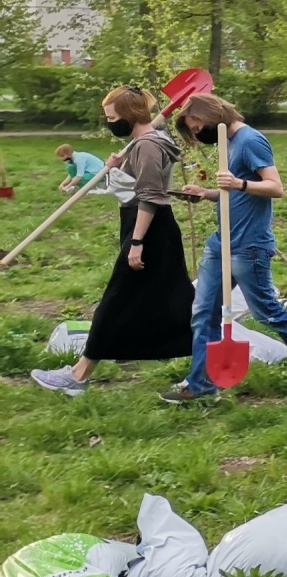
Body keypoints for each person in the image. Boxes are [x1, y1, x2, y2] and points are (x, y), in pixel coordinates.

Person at [160, 92, 287, 403]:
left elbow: (275, 187)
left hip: (249, 246)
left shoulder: (249, 140)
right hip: (221, 243)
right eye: (192, 129)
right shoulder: (228, 143)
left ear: (212, 114)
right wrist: (207, 193)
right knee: (203, 312)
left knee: (267, 312)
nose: (196, 133)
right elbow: (234, 194)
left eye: (197, 125)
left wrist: (239, 184)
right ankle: (202, 383)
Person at [31, 88, 195, 397]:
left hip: (147, 229)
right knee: (175, 299)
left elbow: (150, 197)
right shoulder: (149, 142)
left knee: (117, 299)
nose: (109, 123)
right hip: (148, 227)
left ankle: (78, 375)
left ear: (130, 116)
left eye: (112, 118)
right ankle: (205, 367)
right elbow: (138, 183)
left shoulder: (147, 145)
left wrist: (136, 242)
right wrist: (121, 164)